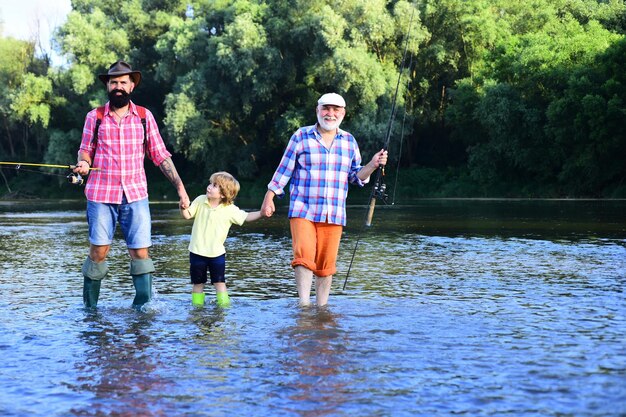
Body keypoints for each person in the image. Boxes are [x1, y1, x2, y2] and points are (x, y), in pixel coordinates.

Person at [73, 60, 190, 309]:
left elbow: (161, 155)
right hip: (101, 195)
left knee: (140, 253)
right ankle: (90, 309)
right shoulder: (94, 117)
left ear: (132, 86)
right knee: (99, 251)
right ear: (108, 86)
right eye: (113, 82)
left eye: (123, 82)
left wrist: (180, 189)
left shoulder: (145, 117)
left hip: (136, 195)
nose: (118, 86)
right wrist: (83, 164)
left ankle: (143, 309)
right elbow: (85, 151)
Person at [260, 92, 387, 306]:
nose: (330, 113)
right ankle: (303, 305)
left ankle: (322, 308)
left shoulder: (349, 141)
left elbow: (356, 177)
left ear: (343, 113)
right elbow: (284, 170)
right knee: (303, 257)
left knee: (326, 265)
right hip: (303, 209)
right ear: (317, 111)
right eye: (326, 109)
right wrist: (269, 196)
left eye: (335, 109)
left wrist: (373, 165)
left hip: (334, 212)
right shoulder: (300, 136)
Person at [181, 171, 265, 307]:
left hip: (217, 254)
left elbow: (246, 217)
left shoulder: (230, 209)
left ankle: (224, 308)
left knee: (220, 282)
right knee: (198, 283)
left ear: (223, 194)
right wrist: (182, 207)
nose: (209, 187)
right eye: (210, 183)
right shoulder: (200, 200)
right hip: (197, 251)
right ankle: (197, 309)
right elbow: (187, 215)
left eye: (214, 185)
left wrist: (261, 213)